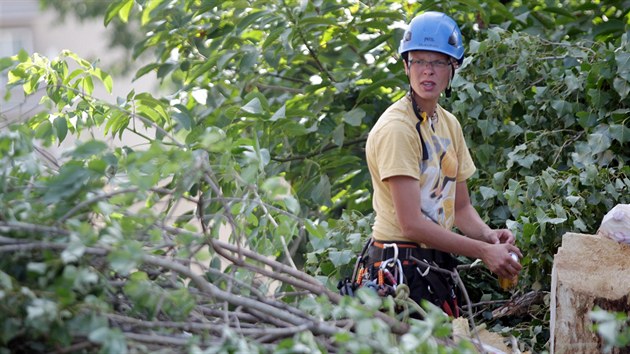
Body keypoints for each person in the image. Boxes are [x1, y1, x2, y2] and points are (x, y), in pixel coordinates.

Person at [361, 11, 522, 317]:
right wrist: (484, 252)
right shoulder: (398, 129)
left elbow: (460, 209)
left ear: (453, 68)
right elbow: (411, 224)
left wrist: (488, 235)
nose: (427, 72)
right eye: (419, 61)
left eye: (438, 62)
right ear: (406, 66)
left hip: (434, 267)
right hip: (398, 269)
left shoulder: (449, 124)